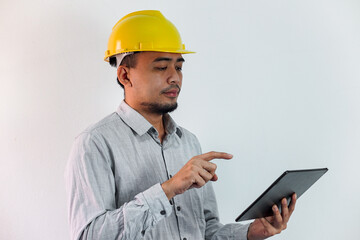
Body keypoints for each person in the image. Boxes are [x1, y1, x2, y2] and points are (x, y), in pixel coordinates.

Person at [65, 10, 296, 240]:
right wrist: (168, 189)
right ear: (125, 76)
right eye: (161, 67)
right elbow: (89, 235)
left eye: (179, 67)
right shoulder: (94, 144)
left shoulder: (188, 143)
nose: (174, 77)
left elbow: (206, 232)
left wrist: (253, 231)